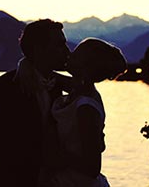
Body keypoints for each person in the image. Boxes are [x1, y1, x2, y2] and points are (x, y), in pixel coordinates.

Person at [0, 19, 71, 187]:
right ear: (39, 49)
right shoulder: (6, 86)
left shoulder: (55, 86)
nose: (66, 51)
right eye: (59, 45)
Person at [45, 38, 127, 187]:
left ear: (86, 66)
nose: (69, 54)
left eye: (76, 55)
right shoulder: (78, 88)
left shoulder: (86, 107)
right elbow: (48, 76)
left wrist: (56, 155)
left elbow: (92, 167)